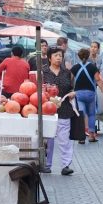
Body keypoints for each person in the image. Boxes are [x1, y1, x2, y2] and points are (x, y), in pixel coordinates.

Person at [41, 47, 77, 175]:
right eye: (56, 55)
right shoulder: (43, 72)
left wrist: (73, 93)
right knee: (48, 140)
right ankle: (46, 164)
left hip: (64, 109)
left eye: (60, 56)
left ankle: (65, 165)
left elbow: (72, 88)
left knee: (64, 139)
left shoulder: (67, 72)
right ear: (50, 57)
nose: (58, 58)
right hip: (47, 109)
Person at [72, 47, 103, 143]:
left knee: (81, 114)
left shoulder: (75, 68)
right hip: (91, 94)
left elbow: (70, 81)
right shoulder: (93, 67)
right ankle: (91, 136)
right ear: (88, 56)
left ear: (79, 57)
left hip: (78, 94)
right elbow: (98, 80)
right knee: (91, 114)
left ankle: (81, 137)